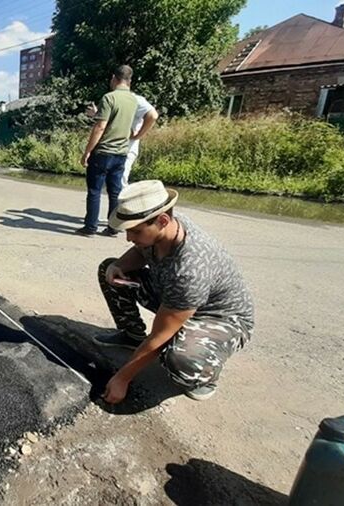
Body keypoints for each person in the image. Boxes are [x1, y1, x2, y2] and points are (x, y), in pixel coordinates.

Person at [96, 180, 255, 403]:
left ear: (162, 220)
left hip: (221, 319)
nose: (129, 237)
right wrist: (119, 265)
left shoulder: (190, 269)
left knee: (180, 359)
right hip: (174, 294)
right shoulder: (163, 231)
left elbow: (161, 334)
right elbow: (141, 251)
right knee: (110, 270)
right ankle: (131, 336)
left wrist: (122, 378)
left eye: (135, 231)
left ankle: (205, 375)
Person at [77, 65, 138, 237]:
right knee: (115, 192)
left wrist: (87, 151)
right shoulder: (133, 100)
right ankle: (113, 227)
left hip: (103, 152)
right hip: (121, 153)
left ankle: (90, 227)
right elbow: (122, 123)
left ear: (114, 78)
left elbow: (100, 127)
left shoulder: (109, 98)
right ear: (130, 80)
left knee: (95, 191)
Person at [123, 95, 159, 188]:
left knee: (120, 181)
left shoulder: (135, 99)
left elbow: (153, 115)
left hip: (128, 147)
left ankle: (130, 202)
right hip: (115, 148)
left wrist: (138, 135)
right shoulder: (115, 98)